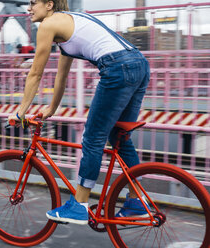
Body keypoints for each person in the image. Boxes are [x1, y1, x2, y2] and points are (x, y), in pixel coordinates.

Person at [8, 0, 150, 225]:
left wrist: (20, 112)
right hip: (140, 64)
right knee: (119, 137)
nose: (28, 8)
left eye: (33, 3)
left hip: (117, 68)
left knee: (92, 138)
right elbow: (60, 76)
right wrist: (51, 109)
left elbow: (35, 73)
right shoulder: (70, 24)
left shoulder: (48, 24)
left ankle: (79, 205)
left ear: (49, 4)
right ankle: (136, 201)